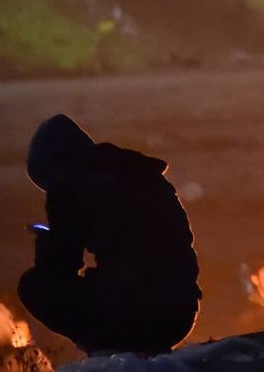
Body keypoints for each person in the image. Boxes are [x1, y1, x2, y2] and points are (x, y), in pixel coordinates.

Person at [18, 115, 201, 354]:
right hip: (180, 313)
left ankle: (105, 350)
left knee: (35, 286)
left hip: (133, 315)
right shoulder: (143, 175)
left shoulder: (68, 186)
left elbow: (60, 264)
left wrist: (47, 242)